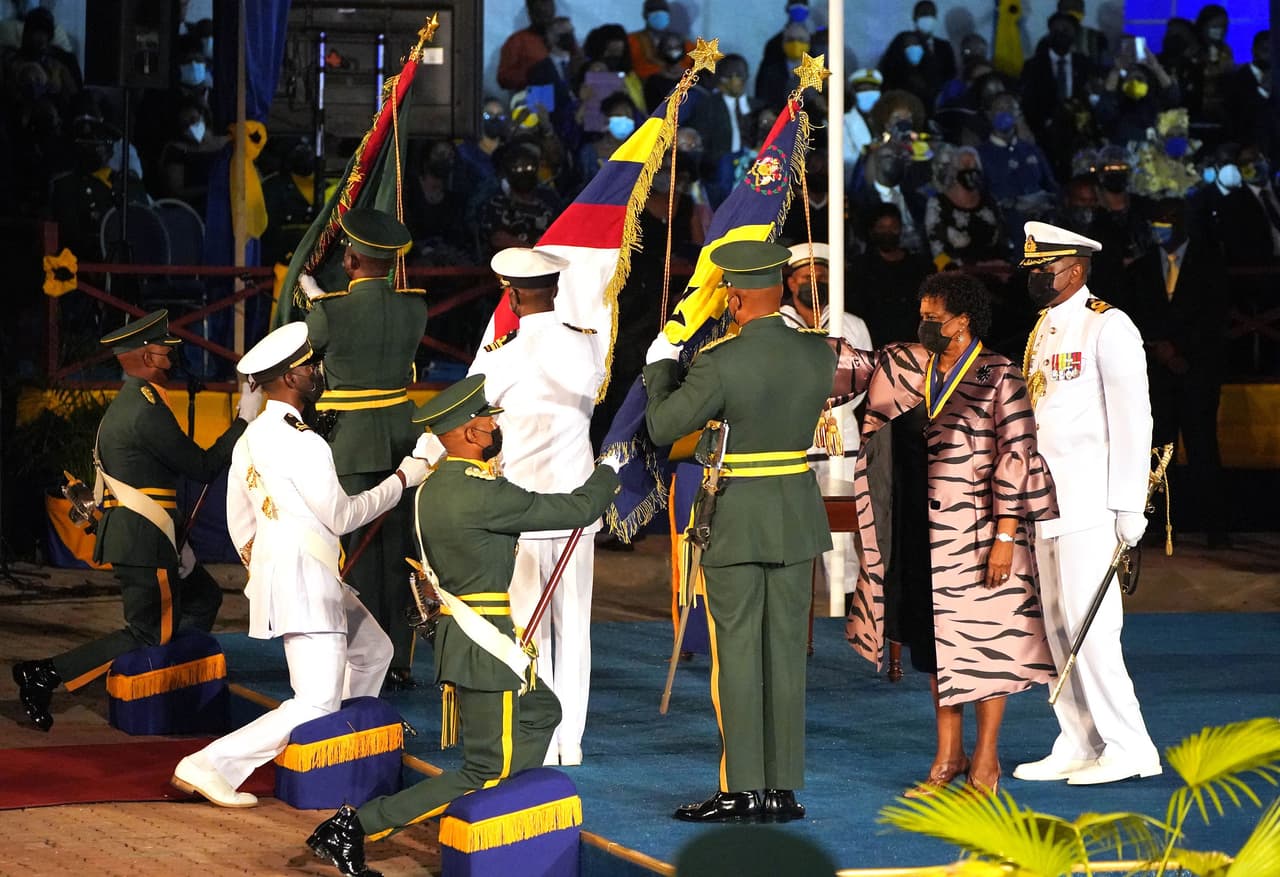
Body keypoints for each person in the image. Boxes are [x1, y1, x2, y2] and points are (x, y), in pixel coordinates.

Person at [305, 375, 622, 877]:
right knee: (482, 770)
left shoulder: (436, 488)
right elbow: (578, 510)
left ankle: (504, 810)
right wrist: (608, 471)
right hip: (485, 643)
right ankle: (355, 826)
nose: (496, 426)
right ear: (472, 433)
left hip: (478, 636)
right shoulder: (479, 493)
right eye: (490, 420)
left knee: (542, 709)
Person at [169, 322, 438, 809]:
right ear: (291, 378)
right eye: (310, 366)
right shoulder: (304, 442)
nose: (317, 372)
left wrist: (267, 567)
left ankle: (338, 749)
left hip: (296, 573)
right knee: (313, 700)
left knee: (374, 651)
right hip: (308, 581)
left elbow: (240, 522)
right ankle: (209, 765)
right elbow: (343, 515)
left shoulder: (250, 438)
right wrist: (405, 476)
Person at [838, 272, 1057, 795]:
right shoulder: (906, 365)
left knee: (987, 645)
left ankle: (986, 756)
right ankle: (948, 753)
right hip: (916, 532)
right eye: (922, 315)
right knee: (935, 649)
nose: (925, 324)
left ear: (963, 321)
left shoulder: (998, 374)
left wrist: (1006, 537)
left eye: (934, 317)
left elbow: (1018, 457)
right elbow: (842, 368)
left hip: (980, 536)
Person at [644, 240, 836, 822]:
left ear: (734, 296)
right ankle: (781, 789)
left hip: (737, 515)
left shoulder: (721, 361)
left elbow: (661, 426)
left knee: (738, 654)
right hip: (796, 514)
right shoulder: (817, 353)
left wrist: (659, 367)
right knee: (785, 655)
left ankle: (741, 787)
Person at [12, 310, 262, 732]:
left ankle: (168, 681)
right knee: (147, 632)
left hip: (152, 532)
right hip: (143, 538)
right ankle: (43, 673)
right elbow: (200, 467)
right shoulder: (144, 411)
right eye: (166, 354)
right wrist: (244, 419)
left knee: (201, 596)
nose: (172, 362)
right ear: (147, 358)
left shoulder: (137, 402)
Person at [1013, 221, 1162, 786]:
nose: (1034, 279)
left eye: (1043, 269)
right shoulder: (1044, 327)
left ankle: (1130, 744)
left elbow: (1133, 416)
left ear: (1073, 268)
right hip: (1044, 499)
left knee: (1091, 626)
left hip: (1090, 500)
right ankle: (1079, 737)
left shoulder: (1109, 326)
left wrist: (1129, 503)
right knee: (1055, 624)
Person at [468, 247, 608, 766]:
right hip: (575, 505)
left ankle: (540, 738)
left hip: (521, 510)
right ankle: (569, 740)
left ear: (512, 295)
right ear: (555, 290)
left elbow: (473, 415)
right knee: (573, 627)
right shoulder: (588, 345)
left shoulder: (502, 354)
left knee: (527, 625)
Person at [299, 208, 428, 688]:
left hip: (349, 443)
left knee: (352, 557)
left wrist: (312, 298)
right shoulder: (415, 307)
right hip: (401, 438)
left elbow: (311, 350)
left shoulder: (330, 312)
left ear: (349, 259)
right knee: (398, 554)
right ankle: (398, 660)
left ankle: (358, 659)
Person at [1124, 200, 1230, 549]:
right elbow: (1134, 314)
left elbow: (1214, 316)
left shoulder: (1209, 262)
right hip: (1157, 373)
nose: (1159, 229)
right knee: (1157, 449)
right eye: (1155, 223)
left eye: (1166, 223)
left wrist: (1181, 349)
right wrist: (1160, 349)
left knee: (1202, 448)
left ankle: (1215, 526)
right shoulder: (1140, 268)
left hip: (1196, 370)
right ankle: (1160, 523)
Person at [780, 243, 870, 618]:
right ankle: (792, 608)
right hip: (789, 435)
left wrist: (829, 410)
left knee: (841, 531)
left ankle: (844, 607)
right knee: (789, 521)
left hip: (840, 434)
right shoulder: (776, 324)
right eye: (806, 278)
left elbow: (863, 378)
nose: (814, 285)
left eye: (821, 278)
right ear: (789, 282)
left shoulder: (850, 324)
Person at [851, 202, 935, 343]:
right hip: (875, 343)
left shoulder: (920, 266)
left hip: (913, 342)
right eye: (882, 227)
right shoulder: (861, 268)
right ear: (872, 230)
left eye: (893, 227)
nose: (888, 233)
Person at [924, 145, 1008, 270]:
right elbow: (936, 251)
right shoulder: (938, 204)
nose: (971, 171)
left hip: (995, 272)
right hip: (958, 277)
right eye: (966, 166)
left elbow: (1003, 239)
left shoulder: (989, 201)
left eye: (975, 166)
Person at [880, 1, 956, 108]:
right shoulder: (901, 41)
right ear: (914, 17)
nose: (928, 18)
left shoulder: (944, 47)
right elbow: (890, 71)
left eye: (931, 14)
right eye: (924, 14)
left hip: (937, 105)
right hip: (905, 103)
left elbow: (951, 75)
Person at [497, 0, 555, 93]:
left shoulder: (564, 36)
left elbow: (583, 70)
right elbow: (503, 77)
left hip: (567, 100)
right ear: (530, 13)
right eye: (539, 12)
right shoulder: (517, 40)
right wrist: (530, 75)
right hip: (535, 97)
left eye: (548, 12)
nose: (545, 17)